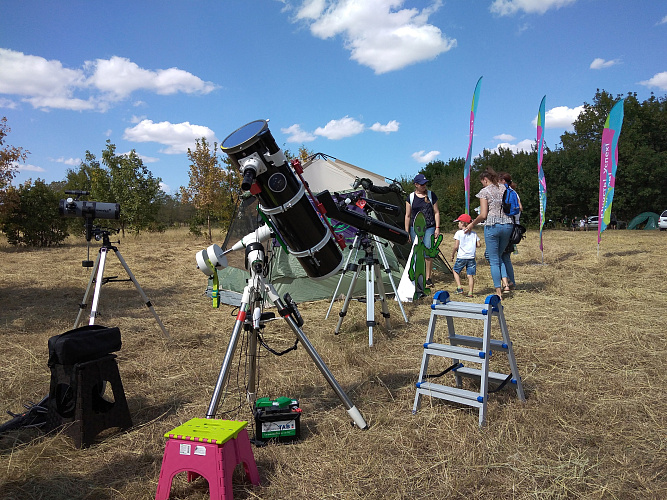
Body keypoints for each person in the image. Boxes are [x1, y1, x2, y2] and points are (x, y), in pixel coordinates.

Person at [465, 169, 514, 299]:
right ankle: (507, 283)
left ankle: (498, 291)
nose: (482, 185)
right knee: (499, 256)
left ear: (485, 180)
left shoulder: (484, 192)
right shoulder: (505, 188)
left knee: (493, 260)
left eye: (482, 182)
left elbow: (483, 215)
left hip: (492, 226)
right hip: (508, 225)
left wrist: (471, 224)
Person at [405, 173, 440, 287]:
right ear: (416, 185)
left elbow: (436, 212)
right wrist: (407, 232)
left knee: (428, 251)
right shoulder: (410, 197)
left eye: (425, 183)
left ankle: (428, 278)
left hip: (429, 227)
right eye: (421, 184)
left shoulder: (431, 195)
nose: (424, 185)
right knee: (416, 252)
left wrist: (437, 228)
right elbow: (407, 215)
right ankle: (416, 276)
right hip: (415, 228)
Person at [498, 172, 521, 288]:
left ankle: (506, 282)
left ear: (503, 181)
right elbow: (520, 208)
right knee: (506, 256)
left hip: (506, 226)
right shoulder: (514, 193)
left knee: (499, 255)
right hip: (515, 227)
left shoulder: (505, 192)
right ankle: (511, 281)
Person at [451, 213, 481, 298]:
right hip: (471, 257)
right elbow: (479, 245)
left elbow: (456, 246)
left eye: (459, 222)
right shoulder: (474, 233)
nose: (458, 224)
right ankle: (470, 292)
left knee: (455, 271)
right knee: (470, 275)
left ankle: (459, 287)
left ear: (463, 223)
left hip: (461, 256)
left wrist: (452, 255)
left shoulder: (459, 233)